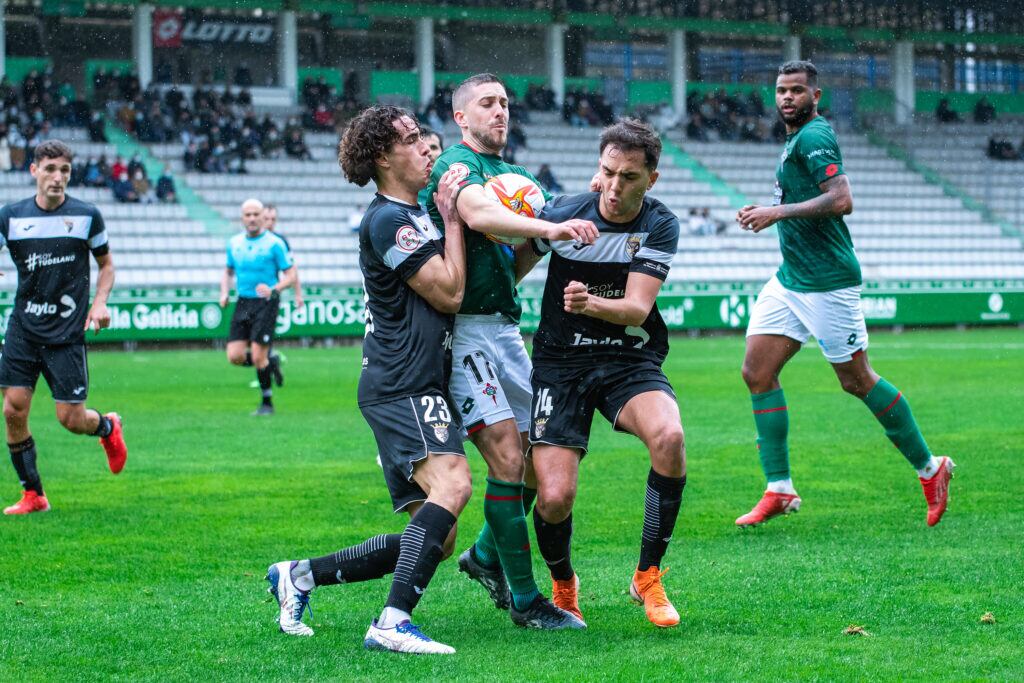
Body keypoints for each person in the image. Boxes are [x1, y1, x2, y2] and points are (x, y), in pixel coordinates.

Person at [266, 106, 470, 654]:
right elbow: (449, 293)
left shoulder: (413, 212)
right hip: (403, 383)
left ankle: (300, 576)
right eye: (409, 140)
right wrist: (452, 220)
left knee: (436, 537)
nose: (424, 146)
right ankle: (392, 621)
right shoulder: (388, 219)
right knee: (454, 483)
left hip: (409, 382)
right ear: (384, 157)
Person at [735, 60, 954, 528]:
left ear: (816, 96)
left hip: (828, 282)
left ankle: (930, 468)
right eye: (780, 90)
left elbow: (841, 200)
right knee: (757, 371)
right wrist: (775, 212)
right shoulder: (796, 138)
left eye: (796, 90)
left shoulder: (815, 136)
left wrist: (777, 213)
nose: (787, 98)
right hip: (792, 277)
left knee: (856, 380)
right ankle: (779, 488)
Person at [423, 73, 595, 630]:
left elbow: (515, 261)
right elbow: (477, 216)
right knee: (504, 458)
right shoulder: (455, 165)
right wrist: (551, 225)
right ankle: (526, 603)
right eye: (487, 104)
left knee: (535, 455)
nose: (500, 111)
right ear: (461, 117)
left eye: (504, 103)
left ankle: (485, 555)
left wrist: (548, 235)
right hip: (462, 330)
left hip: (504, 328)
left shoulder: (518, 176)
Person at [517, 119, 687, 628]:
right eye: (608, 172)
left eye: (629, 177)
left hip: (626, 358)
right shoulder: (565, 214)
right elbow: (510, 272)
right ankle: (564, 586)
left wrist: (589, 303)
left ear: (650, 179)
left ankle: (648, 576)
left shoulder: (660, 224)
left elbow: (636, 309)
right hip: (560, 364)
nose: (615, 187)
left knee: (670, 437)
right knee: (553, 497)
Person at [0, 140, 127, 515]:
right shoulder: (10, 216)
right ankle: (33, 494)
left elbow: (106, 265)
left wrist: (100, 303)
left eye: (65, 171)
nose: (58, 177)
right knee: (12, 409)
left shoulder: (87, 216)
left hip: (65, 333)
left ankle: (106, 426)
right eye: (51, 169)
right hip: (23, 327)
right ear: (34, 170)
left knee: (71, 420)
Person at [219, 199, 295, 415]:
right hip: (243, 301)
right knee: (235, 356)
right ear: (242, 218)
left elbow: (290, 275)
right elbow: (227, 271)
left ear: (263, 217)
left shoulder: (275, 244)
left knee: (258, 355)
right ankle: (270, 361)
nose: (252, 218)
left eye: (255, 214)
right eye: (247, 215)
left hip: (266, 302)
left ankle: (267, 403)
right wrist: (224, 292)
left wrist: (274, 288)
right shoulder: (234, 243)